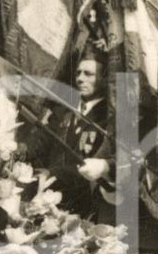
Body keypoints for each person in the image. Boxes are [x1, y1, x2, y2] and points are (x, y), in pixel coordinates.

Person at [42, 50, 113, 220]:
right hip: (45, 198)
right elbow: (42, 140)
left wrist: (54, 173)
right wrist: (21, 148)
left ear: (104, 79)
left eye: (88, 74)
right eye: (78, 73)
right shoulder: (64, 109)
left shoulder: (108, 120)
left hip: (80, 209)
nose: (80, 78)